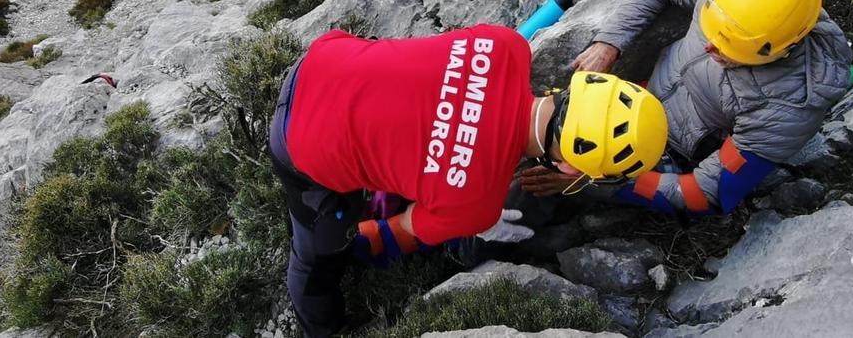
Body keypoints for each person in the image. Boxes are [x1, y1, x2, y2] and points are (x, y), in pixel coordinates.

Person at [269, 24, 668, 336]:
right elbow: (399, 232)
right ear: (570, 169)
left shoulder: (506, 45)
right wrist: (354, 236)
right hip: (297, 144)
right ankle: (324, 330)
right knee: (317, 257)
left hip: (323, 56)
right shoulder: (475, 206)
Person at [519, 0, 852, 215]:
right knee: (525, 127)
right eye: (711, 30)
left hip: (665, 154)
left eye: (730, 48)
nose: (710, 48)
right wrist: (609, 43)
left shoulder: (787, 108)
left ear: (783, 49)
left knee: (522, 192)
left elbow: (703, 193)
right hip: (635, 97)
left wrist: (600, 181)